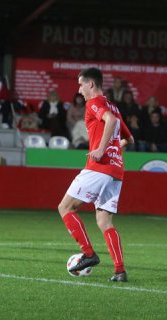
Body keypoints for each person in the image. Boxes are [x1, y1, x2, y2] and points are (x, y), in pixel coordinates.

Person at [57, 67, 134, 282]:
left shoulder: (95, 103)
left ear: (91, 84)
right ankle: (120, 271)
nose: (79, 89)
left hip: (98, 167)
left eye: (81, 84)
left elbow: (110, 122)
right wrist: (112, 148)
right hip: (116, 170)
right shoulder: (114, 106)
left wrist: (101, 149)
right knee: (104, 221)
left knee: (65, 207)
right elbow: (129, 138)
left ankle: (88, 254)